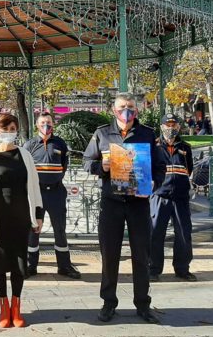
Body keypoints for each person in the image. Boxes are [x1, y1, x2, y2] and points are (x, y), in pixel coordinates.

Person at [83, 92, 165, 324]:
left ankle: (142, 303)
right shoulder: (101, 133)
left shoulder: (148, 134)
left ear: (136, 110)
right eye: (121, 107)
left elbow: (160, 166)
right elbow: (87, 162)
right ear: (113, 110)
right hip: (112, 203)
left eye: (130, 107)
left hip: (139, 203)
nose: (126, 111)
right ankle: (109, 302)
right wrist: (103, 166)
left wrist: (153, 182)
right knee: (110, 255)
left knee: (141, 254)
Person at [0, 113, 43, 328]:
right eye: (5, 129)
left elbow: (34, 185)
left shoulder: (24, 155)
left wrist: (38, 215)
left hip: (21, 217)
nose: (9, 132)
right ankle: (3, 305)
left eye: (12, 128)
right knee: (0, 261)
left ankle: (16, 305)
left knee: (19, 262)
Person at [23, 112, 81, 279]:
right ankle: (30, 266)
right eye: (42, 123)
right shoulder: (30, 145)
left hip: (56, 192)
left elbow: (64, 166)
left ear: (53, 124)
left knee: (60, 230)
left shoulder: (60, 144)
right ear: (37, 125)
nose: (46, 126)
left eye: (48, 123)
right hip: (37, 193)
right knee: (33, 230)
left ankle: (64, 266)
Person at [149, 113, 196, 282]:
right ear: (161, 127)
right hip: (159, 196)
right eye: (167, 124)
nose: (171, 128)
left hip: (180, 197)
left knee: (184, 233)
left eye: (174, 125)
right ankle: (153, 269)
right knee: (155, 233)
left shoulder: (186, 147)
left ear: (178, 127)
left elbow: (188, 170)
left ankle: (182, 269)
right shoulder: (154, 146)